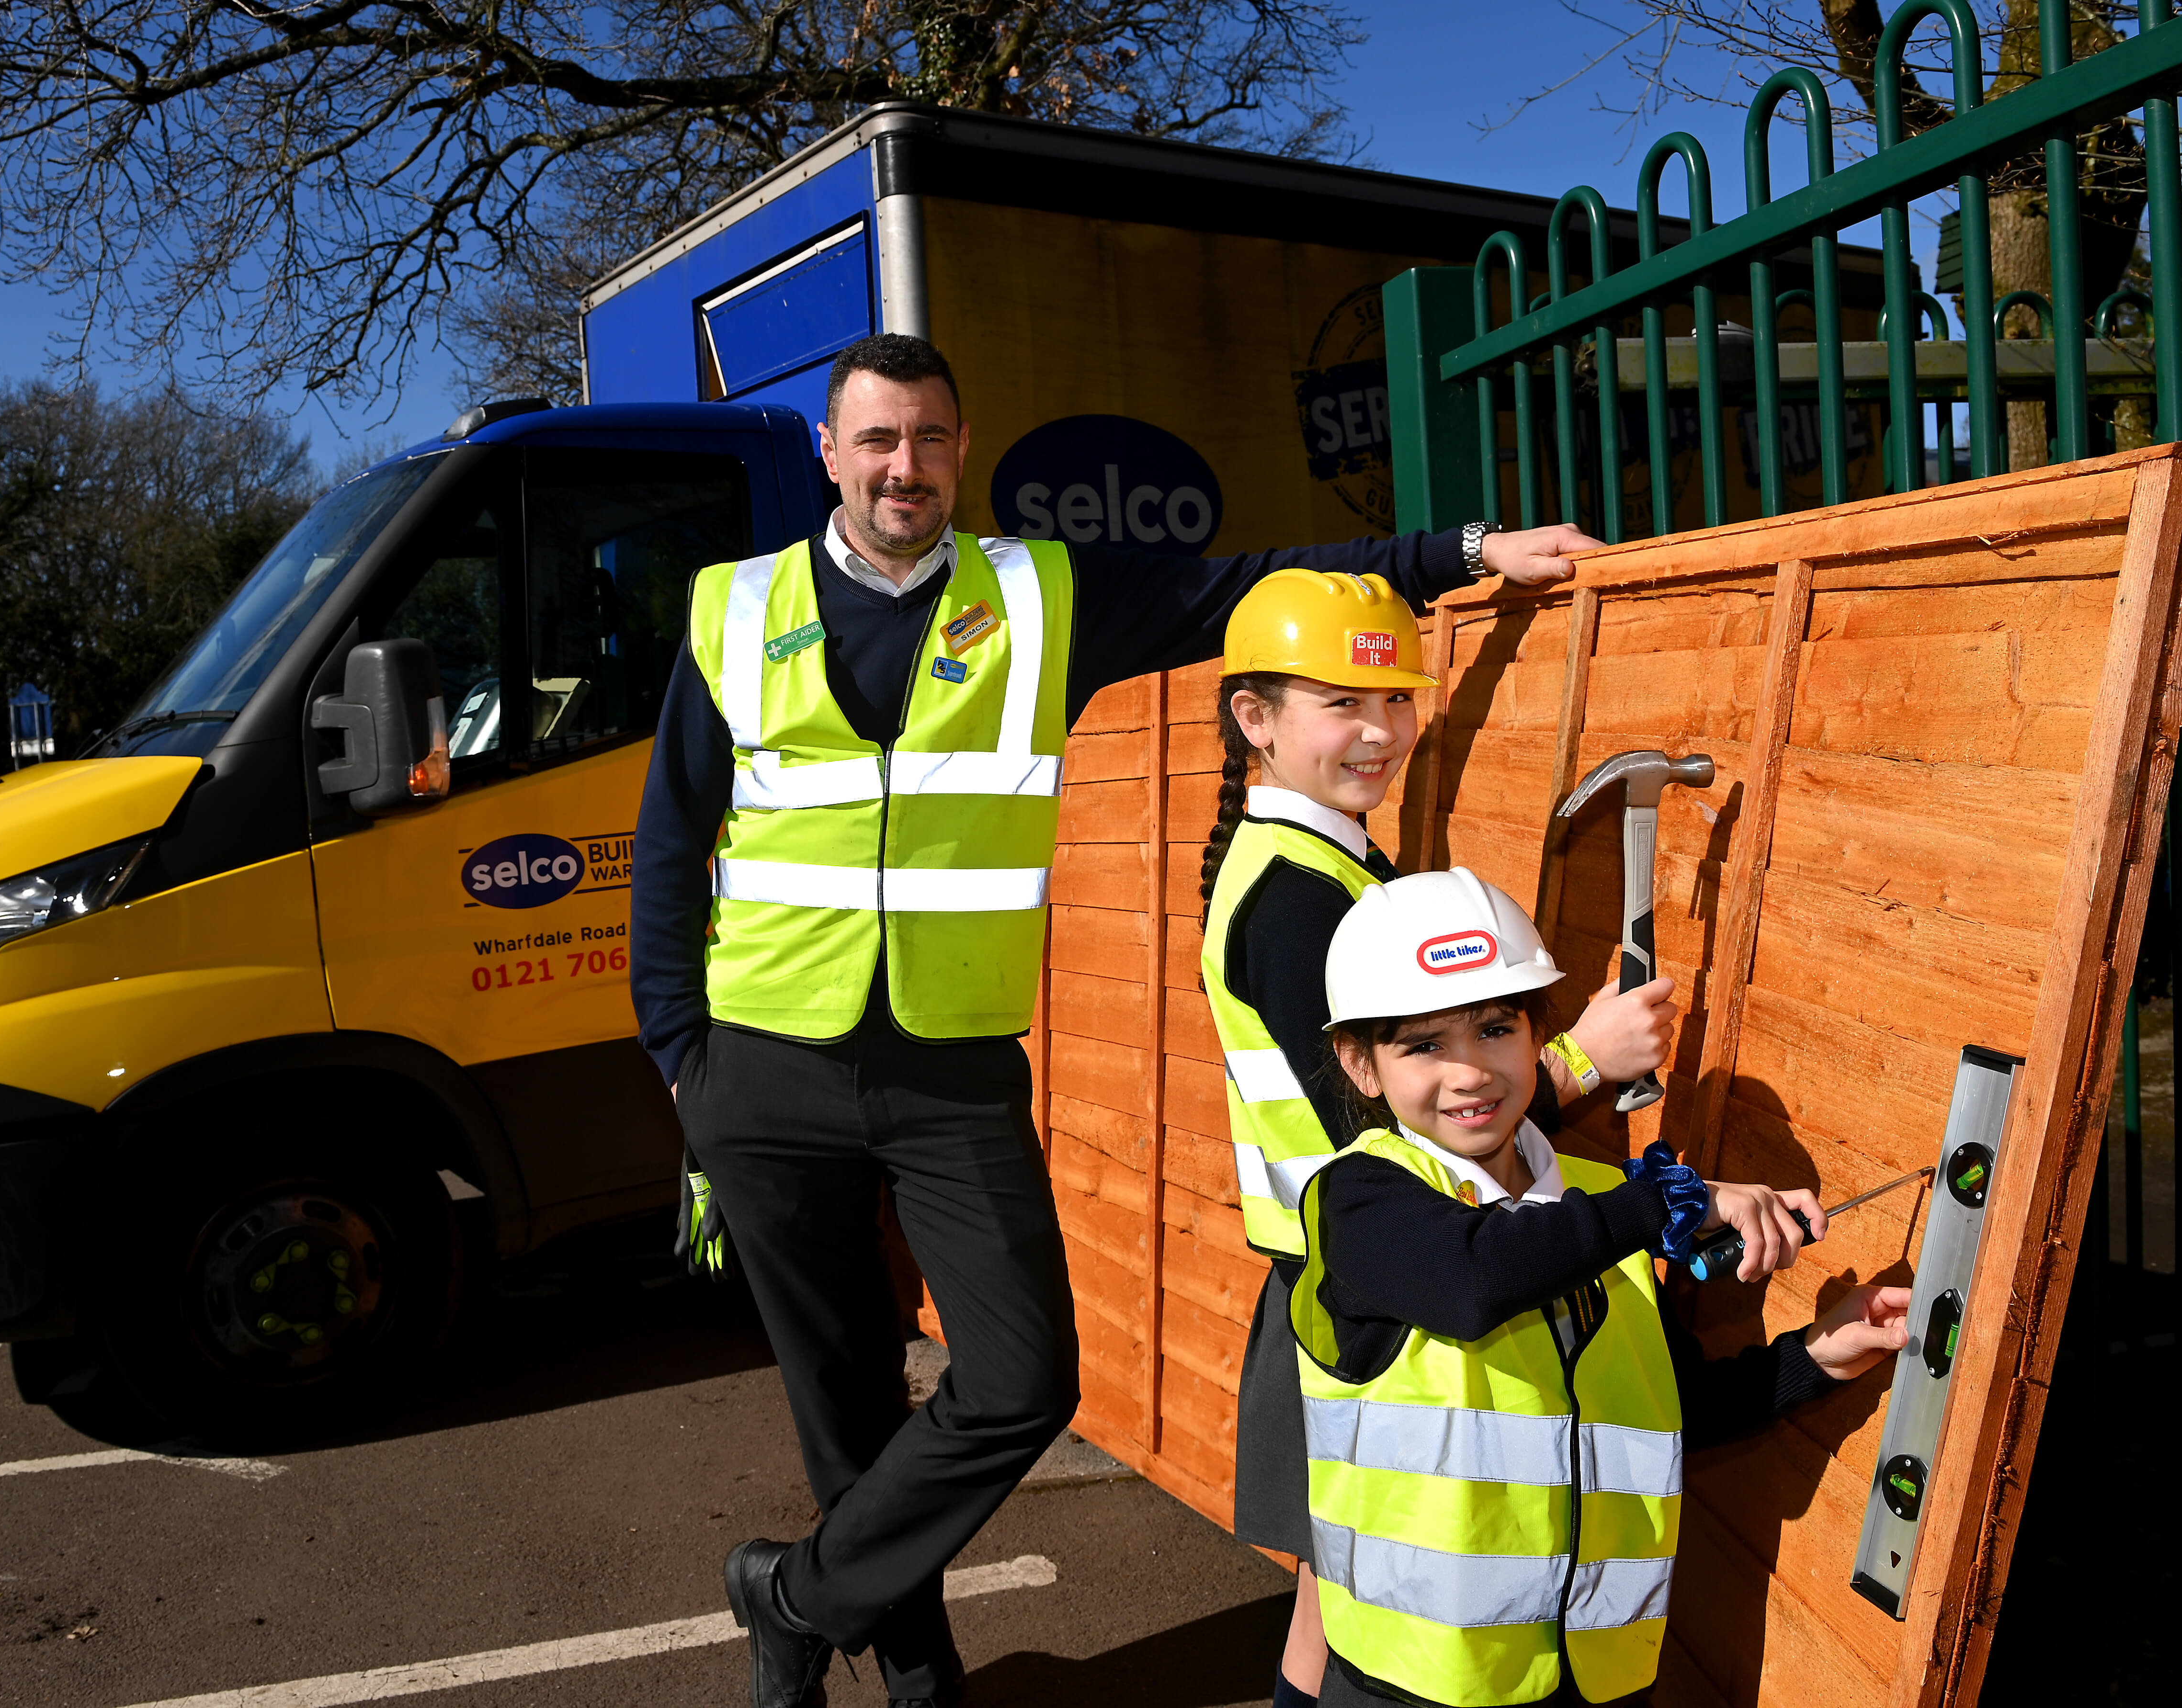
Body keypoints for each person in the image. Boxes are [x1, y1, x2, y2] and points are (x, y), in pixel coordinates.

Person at [629, 330, 1598, 1708]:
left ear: (961, 451)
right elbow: (667, 845)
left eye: (931, 439)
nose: (906, 465)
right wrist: (680, 1060)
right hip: (760, 1066)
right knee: (839, 1391)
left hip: (949, 1070)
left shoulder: (1038, 594)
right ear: (832, 455)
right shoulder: (730, 609)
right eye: (879, 440)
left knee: (1020, 1378)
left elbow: (1253, 592)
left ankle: (787, 1598)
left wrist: (1461, 549)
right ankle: (913, 1673)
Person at [1195, 570, 1676, 1708]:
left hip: (1354, 1270)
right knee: (1353, 1609)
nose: (1379, 732)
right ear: (1254, 719)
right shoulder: (1298, 897)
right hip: (1375, 1278)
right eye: (1340, 705)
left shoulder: (1326, 866)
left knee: (1333, 1601)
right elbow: (1410, 1127)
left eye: (1397, 701)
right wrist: (1577, 1060)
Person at [1291, 868, 1912, 1708]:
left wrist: (1819, 1355)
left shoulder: (1591, 1201)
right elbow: (1472, 1280)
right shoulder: (1361, 1200)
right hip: (1419, 1684)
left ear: (1534, 1032)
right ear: (1360, 1066)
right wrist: (1659, 1200)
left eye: (1494, 1029)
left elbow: (1662, 1409)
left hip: (1596, 1677)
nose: (1469, 1071)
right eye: (1423, 1045)